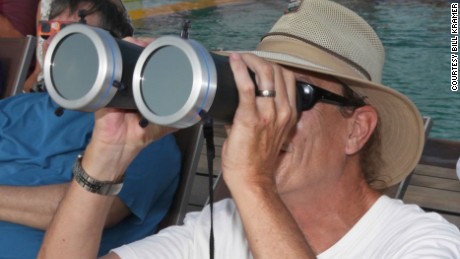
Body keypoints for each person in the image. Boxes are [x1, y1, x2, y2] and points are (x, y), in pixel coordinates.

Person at [38, 0, 460, 258]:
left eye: (294, 93)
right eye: (256, 89)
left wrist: (253, 182)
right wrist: (106, 156)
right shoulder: (221, 225)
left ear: (357, 130)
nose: (264, 114)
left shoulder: (422, 244)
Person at [0, 0, 181, 258]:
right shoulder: (14, 107)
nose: (59, 45)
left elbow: (96, 209)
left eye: (77, 36)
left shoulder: (139, 133)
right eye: (52, 31)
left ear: (115, 48)